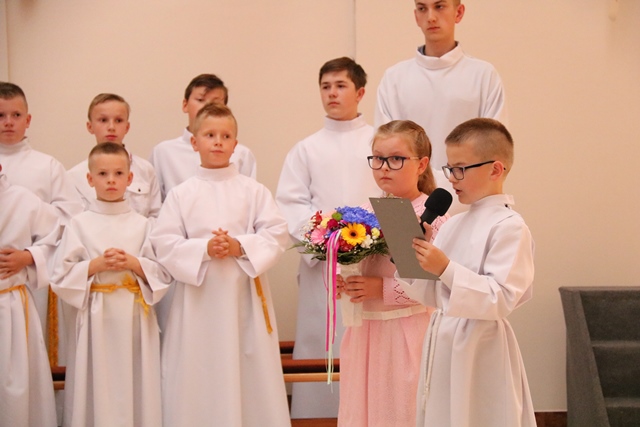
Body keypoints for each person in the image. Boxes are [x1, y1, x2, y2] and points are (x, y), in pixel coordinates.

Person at [150, 103, 290, 426]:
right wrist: (205, 249)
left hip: (243, 297)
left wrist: (239, 246)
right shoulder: (182, 194)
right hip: (197, 301)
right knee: (199, 367)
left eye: (226, 136)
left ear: (235, 144)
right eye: (210, 135)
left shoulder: (253, 191)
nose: (218, 142)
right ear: (194, 142)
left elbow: (275, 233)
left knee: (246, 365)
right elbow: (164, 242)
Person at [398, 118, 535, 426]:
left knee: (479, 415)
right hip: (442, 337)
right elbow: (432, 295)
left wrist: (446, 268)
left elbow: (501, 298)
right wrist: (412, 260)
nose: (451, 179)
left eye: (460, 169)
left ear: (495, 169)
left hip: (480, 344)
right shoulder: (454, 224)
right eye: (449, 168)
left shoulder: (510, 227)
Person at [276, 57, 380, 418]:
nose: (332, 93)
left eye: (340, 86)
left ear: (360, 92)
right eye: (325, 86)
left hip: (373, 263)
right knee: (322, 343)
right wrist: (326, 241)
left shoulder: (379, 143)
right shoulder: (306, 149)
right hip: (323, 266)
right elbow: (290, 204)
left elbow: (392, 193)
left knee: (371, 346)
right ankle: (316, 417)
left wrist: (370, 240)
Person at [336, 120, 448, 427]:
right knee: (360, 410)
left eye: (396, 159)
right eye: (378, 158)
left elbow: (434, 285)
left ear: (421, 164)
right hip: (364, 332)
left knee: (399, 410)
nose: (384, 167)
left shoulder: (431, 217)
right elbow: (352, 265)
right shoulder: (361, 213)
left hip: (405, 331)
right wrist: (343, 280)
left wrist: (379, 289)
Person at [51, 143, 171, 427]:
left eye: (118, 173)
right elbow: (60, 277)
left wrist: (133, 263)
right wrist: (95, 265)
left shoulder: (145, 225)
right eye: (103, 174)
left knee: (135, 381)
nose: (111, 180)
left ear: (130, 178)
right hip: (96, 318)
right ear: (90, 179)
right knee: (97, 382)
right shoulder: (79, 225)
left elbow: (163, 274)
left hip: (135, 317)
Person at [374, 0, 507, 213]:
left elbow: (493, 148)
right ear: (416, 16)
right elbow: (386, 150)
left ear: (459, 12)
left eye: (440, 6)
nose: (431, 17)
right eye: (422, 8)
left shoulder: (483, 75)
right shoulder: (395, 79)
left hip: (469, 206)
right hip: (408, 206)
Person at [0, 81, 83, 367]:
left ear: (28, 119)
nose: (8, 122)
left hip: (31, 279)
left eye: (16, 115)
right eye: (1, 115)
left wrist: (30, 256)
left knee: (28, 360)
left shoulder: (47, 166)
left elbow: (69, 223)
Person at [0, 163, 61, 427]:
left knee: (15, 391)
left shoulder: (22, 200)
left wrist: (29, 256)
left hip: (10, 306)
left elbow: (60, 239)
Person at [149, 73, 257, 201]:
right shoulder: (163, 152)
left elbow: (250, 199)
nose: (207, 107)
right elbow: (155, 205)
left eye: (216, 102)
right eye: (200, 100)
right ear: (185, 104)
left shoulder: (242, 154)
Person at [67, 93, 161, 218]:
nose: (111, 127)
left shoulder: (145, 169)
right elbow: (73, 220)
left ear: (127, 127)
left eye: (118, 120)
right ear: (90, 127)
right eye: (103, 120)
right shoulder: (73, 177)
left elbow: (156, 216)